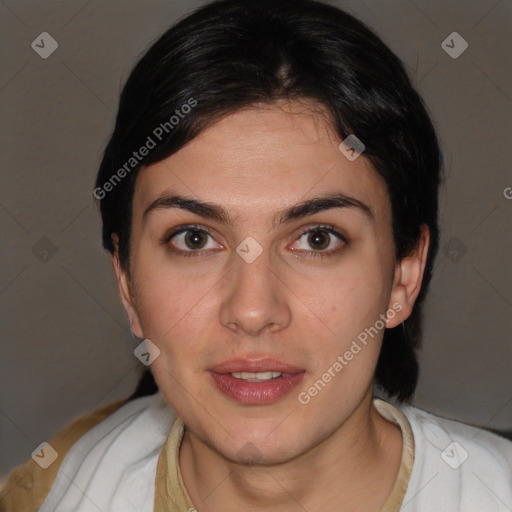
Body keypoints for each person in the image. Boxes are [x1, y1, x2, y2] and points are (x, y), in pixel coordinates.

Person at [1, 0, 511, 511]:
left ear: (404, 276)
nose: (251, 310)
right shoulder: (55, 488)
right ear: (127, 281)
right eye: (194, 239)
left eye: (317, 239)